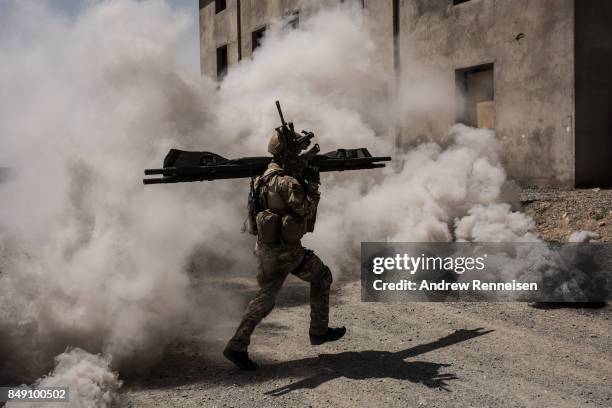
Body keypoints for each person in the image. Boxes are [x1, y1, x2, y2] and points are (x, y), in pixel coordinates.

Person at [223, 128, 346, 370]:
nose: (299, 154)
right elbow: (306, 211)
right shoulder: (287, 182)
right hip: (286, 252)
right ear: (286, 154)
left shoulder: (263, 177)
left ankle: (237, 346)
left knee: (265, 298)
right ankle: (319, 332)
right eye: (296, 151)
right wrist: (311, 185)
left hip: (267, 249)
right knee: (322, 276)